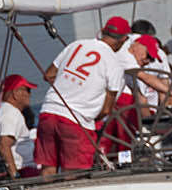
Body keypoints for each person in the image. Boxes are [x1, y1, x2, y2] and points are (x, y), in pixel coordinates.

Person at [36, 16, 128, 174]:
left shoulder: (76, 45)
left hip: (48, 112)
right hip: (76, 120)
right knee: (74, 173)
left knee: (48, 167)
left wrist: (71, 86)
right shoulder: (114, 64)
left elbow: (49, 75)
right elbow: (106, 110)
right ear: (123, 40)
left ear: (103, 32)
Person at [0, 73, 38, 177]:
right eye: (28, 90)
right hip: (22, 170)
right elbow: (4, 146)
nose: (30, 94)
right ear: (16, 93)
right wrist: (15, 176)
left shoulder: (2, 110)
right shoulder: (11, 113)